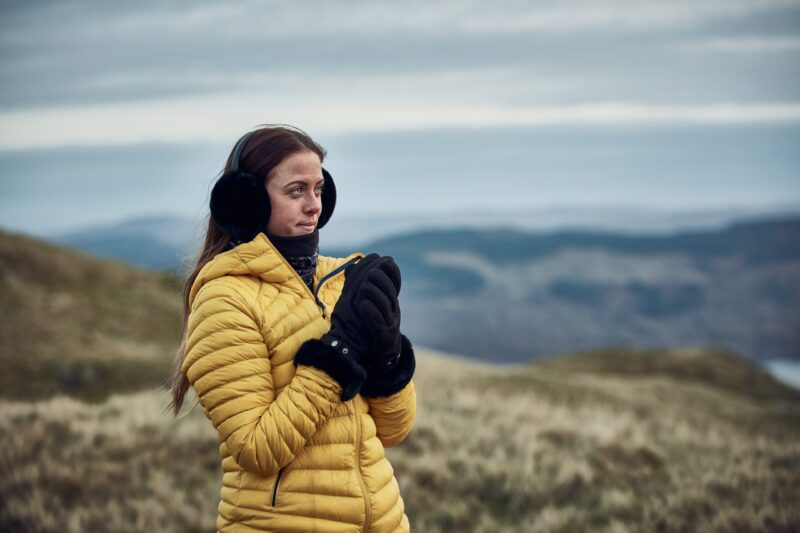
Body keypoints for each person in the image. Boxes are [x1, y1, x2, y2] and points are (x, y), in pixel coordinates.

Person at [169, 124, 417, 532]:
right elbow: (256, 450)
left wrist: (388, 353)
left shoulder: (339, 282)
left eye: (319, 189)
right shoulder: (225, 300)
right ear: (245, 203)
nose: (314, 205)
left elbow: (394, 431)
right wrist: (339, 352)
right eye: (296, 190)